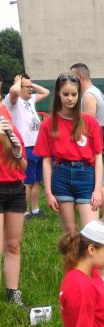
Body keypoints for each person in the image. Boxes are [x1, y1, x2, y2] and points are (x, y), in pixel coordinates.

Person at [34, 74, 103, 233]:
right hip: (61, 177)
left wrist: (97, 189)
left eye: (74, 94)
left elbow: (98, 157)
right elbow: (46, 160)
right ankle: (72, 251)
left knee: (92, 232)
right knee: (70, 231)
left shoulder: (90, 122)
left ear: (79, 94)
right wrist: (48, 192)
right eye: (65, 94)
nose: (70, 98)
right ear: (58, 94)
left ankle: (89, 251)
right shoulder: (48, 124)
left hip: (86, 176)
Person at [70, 63, 104, 222]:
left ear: (80, 77)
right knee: (103, 181)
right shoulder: (96, 91)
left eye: (73, 78)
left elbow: (88, 123)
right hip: (100, 142)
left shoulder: (88, 95)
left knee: (99, 182)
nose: (71, 82)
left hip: (95, 144)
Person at [4, 73, 50, 221]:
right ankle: (24, 211)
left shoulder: (30, 99)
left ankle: (35, 209)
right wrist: (18, 82)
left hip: (37, 145)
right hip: (26, 146)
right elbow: (14, 91)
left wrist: (30, 84)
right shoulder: (13, 101)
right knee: (27, 182)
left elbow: (46, 92)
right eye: (27, 87)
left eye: (31, 87)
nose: (31, 90)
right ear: (19, 86)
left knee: (36, 181)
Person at [0, 97, 28, 307]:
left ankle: (12, 294)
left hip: (16, 189)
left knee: (13, 245)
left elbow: (25, 167)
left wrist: (18, 154)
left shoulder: (10, 126)